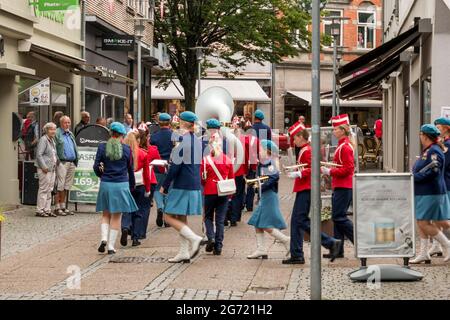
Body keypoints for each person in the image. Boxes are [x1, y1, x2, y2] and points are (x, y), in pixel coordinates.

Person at [283, 129, 341, 264]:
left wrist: (299, 174)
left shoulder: (307, 150)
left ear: (301, 137)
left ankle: (330, 243)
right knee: (297, 222)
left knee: (300, 221)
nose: (294, 141)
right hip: (305, 188)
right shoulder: (305, 149)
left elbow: (312, 167)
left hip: (307, 188)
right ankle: (297, 253)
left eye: (295, 138)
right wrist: (296, 171)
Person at [160, 111, 204, 263]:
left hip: (182, 183)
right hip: (193, 182)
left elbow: (175, 167)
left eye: (179, 121)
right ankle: (184, 252)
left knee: (168, 216)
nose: (177, 123)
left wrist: (164, 186)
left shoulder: (183, 140)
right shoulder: (197, 141)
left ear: (184, 123)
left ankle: (194, 238)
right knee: (181, 216)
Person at [94, 122, 138, 254]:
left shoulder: (102, 147)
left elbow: (96, 166)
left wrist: (101, 175)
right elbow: (130, 170)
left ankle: (103, 239)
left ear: (110, 133)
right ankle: (111, 246)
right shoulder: (126, 149)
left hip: (106, 183)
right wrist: (132, 184)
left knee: (106, 214)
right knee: (117, 217)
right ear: (122, 135)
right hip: (121, 184)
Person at [410, 124, 450, 264]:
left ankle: (446, 244)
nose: (420, 137)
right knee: (427, 221)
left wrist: (414, 177)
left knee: (424, 222)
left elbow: (434, 171)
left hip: (429, 191)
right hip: (425, 191)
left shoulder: (433, 151)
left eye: (421, 134)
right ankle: (424, 253)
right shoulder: (428, 150)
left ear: (425, 136)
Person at [247, 140, 290, 259]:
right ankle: (261, 249)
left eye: (261, 149)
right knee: (257, 223)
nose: (259, 151)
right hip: (265, 195)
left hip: (269, 195)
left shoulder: (269, 162)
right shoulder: (264, 161)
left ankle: (286, 240)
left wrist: (260, 185)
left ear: (268, 151)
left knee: (266, 225)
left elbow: (274, 177)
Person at [321, 114, 355, 258]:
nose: (333, 131)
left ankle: (359, 241)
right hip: (341, 185)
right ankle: (338, 249)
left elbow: (348, 169)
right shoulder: (343, 145)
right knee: (337, 217)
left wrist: (330, 171)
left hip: (344, 185)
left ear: (342, 130)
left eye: (335, 129)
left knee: (339, 217)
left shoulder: (345, 147)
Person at [201, 127, 234, 256]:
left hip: (209, 190)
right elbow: (231, 178)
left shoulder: (205, 160)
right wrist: (230, 195)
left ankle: (211, 237)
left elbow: (202, 178)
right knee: (220, 220)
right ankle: (218, 246)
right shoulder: (227, 160)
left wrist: (207, 185)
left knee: (208, 217)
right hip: (224, 191)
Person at [120, 132, 152, 247]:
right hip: (140, 184)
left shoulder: (122, 153)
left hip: (126, 184)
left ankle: (125, 227)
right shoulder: (143, 154)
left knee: (127, 209)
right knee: (138, 211)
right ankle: (135, 237)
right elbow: (147, 174)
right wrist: (148, 189)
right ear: (137, 141)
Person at [150, 113, 175, 227]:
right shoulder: (174, 135)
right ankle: (166, 216)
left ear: (159, 123)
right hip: (170, 166)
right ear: (169, 123)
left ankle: (160, 207)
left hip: (157, 166)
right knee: (168, 189)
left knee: (157, 188)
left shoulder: (154, 136)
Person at [55, 116, 78, 216]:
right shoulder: (57, 133)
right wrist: (58, 160)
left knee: (66, 186)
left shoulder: (70, 133)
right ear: (61, 123)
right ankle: (57, 207)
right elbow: (53, 148)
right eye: (65, 123)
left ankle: (63, 206)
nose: (67, 124)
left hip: (71, 162)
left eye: (69, 122)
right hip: (62, 162)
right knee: (59, 185)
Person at [35, 122, 58, 218]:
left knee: (50, 190)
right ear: (46, 130)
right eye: (51, 129)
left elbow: (53, 154)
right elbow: (39, 154)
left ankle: (47, 210)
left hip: (51, 169)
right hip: (45, 169)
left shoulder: (52, 140)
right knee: (44, 189)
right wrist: (43, 166)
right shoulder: (43, 140)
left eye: (54, 129)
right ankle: (40, 210)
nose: (53, 131)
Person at [244, 121, 259, 213]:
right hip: (253, 165)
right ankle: (249, 206)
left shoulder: (241, 138)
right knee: (251, 186)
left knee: (240, 187)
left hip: (242, 165)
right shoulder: (256, 140)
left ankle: (241, 204)